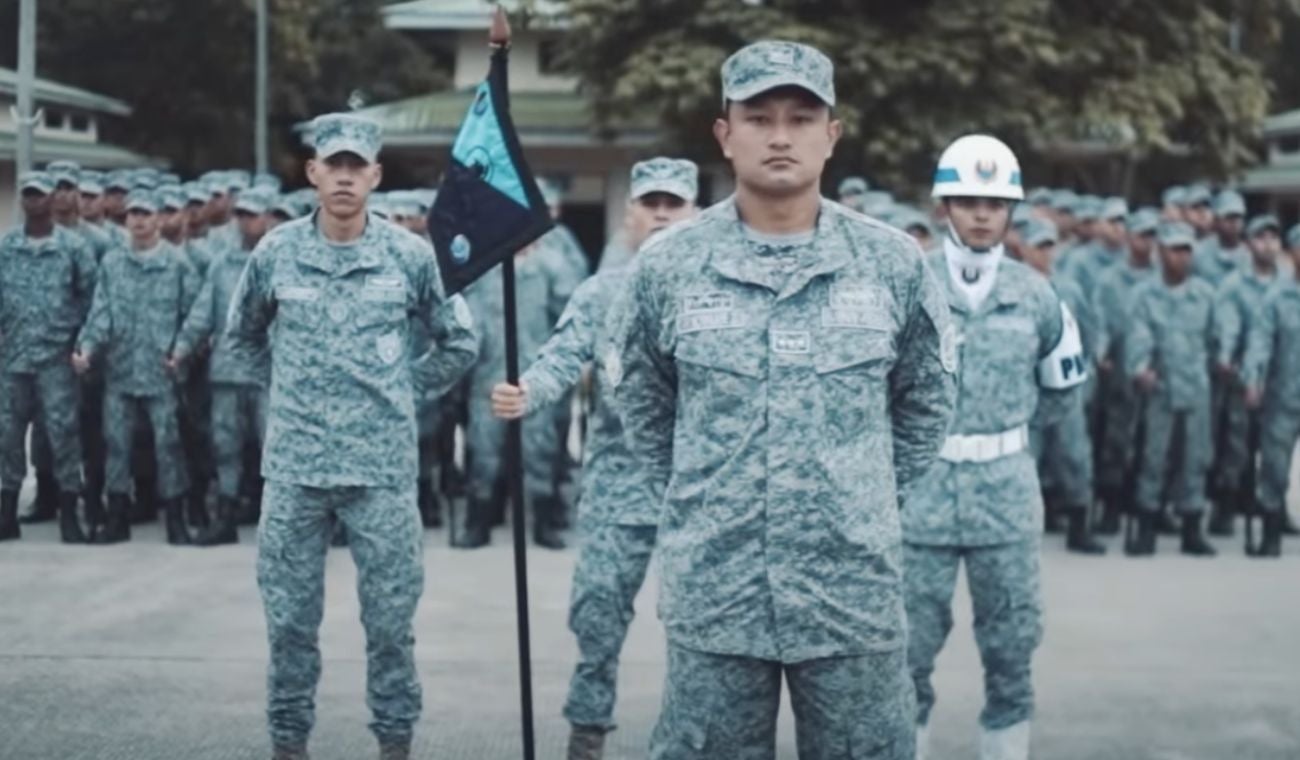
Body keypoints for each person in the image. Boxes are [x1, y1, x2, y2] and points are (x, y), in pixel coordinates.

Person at [614, 40, 955, 759]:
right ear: (724, 133)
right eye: (758, 116)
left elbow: (925, 402)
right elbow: (643, 402)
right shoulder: (669, 267)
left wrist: (860, 497)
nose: (779, 135)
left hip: (851, 593)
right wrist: (700, 498)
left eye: (802, 117)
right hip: (717, 589)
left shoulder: (893, 263)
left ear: (831, 136)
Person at [223, 113, 478, 760]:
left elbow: (460, 340)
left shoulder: (410, 256)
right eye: (331, 164)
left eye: (355, 165)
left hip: (382, 474)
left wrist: (404, 390)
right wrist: (284, 394)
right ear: (312, 173)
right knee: (288, 625)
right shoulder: (276, 252)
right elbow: (242, 338)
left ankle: (395, 742)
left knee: (391, 626)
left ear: (375, 175)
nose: (343, 176)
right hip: (296, 471)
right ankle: (288, 742)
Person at [492, 157, 698, 760]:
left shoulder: (723, 291)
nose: (662, 214)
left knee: (702, 634)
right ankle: (587, 733)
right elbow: (562, 357)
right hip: (620, 485)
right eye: (651, 203)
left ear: (694, 213)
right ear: (630, 213)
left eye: (674, 204)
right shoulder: (603, 292)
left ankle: (692, 739)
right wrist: (527, 390)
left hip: (705, 492)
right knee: (598, 616)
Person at [904, 136, 1085, 760]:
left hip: (1006, 497)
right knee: (905, 652)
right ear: (943, 207)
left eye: (995, 202)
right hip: (920, 499)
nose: (982, 214)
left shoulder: (1038, 295)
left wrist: (1008, 436)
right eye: (968, 201)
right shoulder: (907, 284)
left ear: (1012, 211)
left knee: (1011, 651)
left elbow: (1062, 392)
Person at [171, 188, 278, 546]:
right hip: (228, 371)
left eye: (254, 215)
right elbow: (203, 312)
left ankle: (282, 521)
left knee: (275, 446)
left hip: (270, 373)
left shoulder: (284, 261)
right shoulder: (222, 264)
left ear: (267, 218)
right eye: (242, 215)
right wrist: (182, 349)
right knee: (225, 445)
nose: (247, 222)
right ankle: (226, 517)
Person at [0, 171, 97, 543]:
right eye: (28, 195)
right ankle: (7, 511)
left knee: (63, 435)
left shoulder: (73, 248)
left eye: (40, 194)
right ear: (22, 200)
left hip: (56, 360)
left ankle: (69, 513)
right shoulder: (7, 246)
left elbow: (91, 301)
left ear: (52, 199)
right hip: (14, 359)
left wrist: (80, 345)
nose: (34, 201)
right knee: (9, 436)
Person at [1123, 221, 1217, 556]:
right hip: (1160, 388)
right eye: (1174, 249)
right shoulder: (1144, 295)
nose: (1181, 257)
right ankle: (1147, 526)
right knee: (1152, 457)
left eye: (1186, 250)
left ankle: (1192, 528)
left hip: (1196, 388)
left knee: (1196, 458)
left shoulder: (1205, 295)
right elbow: (1138, 335)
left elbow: (1216, 338)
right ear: (1161, 252)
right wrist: (1141, 368)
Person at [1014, 218, 1106, 554]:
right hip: (1026, 387)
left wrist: (1088, 371)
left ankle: (1080, 526)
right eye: (1039, 246)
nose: (1045, 253)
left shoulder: (1069, 288)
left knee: (1075, 455)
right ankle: (1021, 530)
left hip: (1064, 384)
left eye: (1050, 245)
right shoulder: (1011, 286)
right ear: (1023, 248)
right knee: (1026, 459)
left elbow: (1089, 331)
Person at [1207, 214, 1282, 536]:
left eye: (1273, 238)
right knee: (1237, 446)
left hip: (1281, 380)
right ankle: (1225, 506)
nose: (1268, 244)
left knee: (1275, 448)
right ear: (1249, 244)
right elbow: (1227, 326)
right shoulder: (1234, 285)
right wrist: (1227, 359)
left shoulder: (1288, 283)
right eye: (1261, 237)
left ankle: (1271, 508)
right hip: (1243, 375)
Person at [1091, 208, 1161, 535]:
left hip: (1156, 368)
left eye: (1152, 236)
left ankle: (1146, 504)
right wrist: (1101, 353)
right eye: (1142, 235)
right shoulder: (1110, 279)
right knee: (1115, 440)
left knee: (1151, 441)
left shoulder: (1161, 280)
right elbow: (1100, 320)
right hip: (1118, 368)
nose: (1147, 242)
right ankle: (1111, 506)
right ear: (1130, 238)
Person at [1242, 223, 1300, 556]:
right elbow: (1259, 343)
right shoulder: (1276, 297)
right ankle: (1271, 531)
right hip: (1284, 397)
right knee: (1274, 467)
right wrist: (1253, 379)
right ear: (1291, 253)